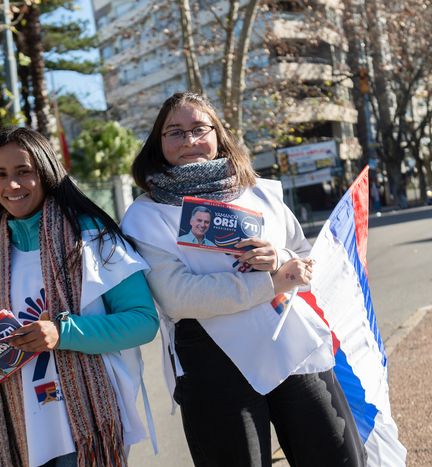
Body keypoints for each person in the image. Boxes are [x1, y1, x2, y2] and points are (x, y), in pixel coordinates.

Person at [121, 92, 367, 467]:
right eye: (175, 132)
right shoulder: (145, 215)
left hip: (289, 342)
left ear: (218, 134)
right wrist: (270, 284)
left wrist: (280, 259)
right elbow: (179, 297)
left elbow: (302, 256)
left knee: (338, 457)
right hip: (210, 359)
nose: (189, 141)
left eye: (199, 129)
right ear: (159, 142)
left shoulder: (260, 192)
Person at [0, 128, 159, 467]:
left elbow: (143, 322)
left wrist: (63, 334)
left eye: (23, 172)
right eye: (0, 175)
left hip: (90, 422)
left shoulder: (93, 237)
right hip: (24, 429)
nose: (11, 185)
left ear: (46, 172)